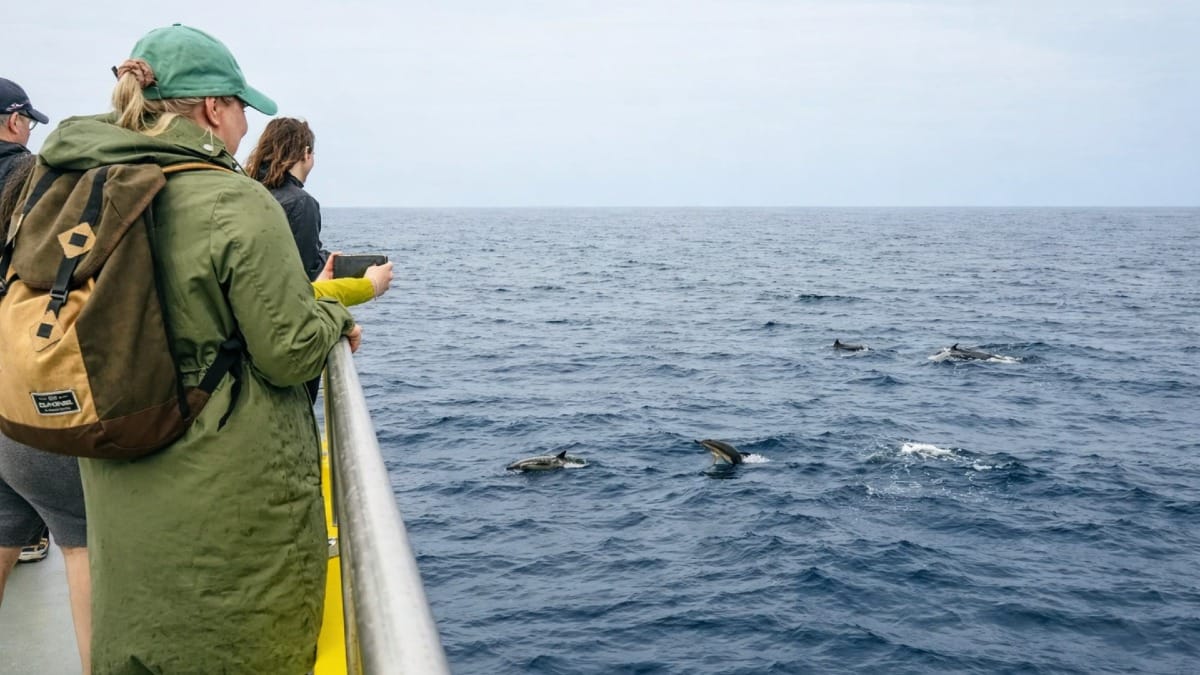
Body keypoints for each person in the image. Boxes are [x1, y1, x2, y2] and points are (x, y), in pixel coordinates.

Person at [35, 25, 360, 673]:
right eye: (241, 107)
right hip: (223, 492)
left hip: (117, 470)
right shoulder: (234, 200)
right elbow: (290, 352)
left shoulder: (77, 187)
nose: (245, 124)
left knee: (142, 635)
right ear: (214, 107)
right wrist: (333, 311)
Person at [0, 145, 92, 673]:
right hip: (36, 413)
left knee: (2, 531)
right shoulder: (62, 251)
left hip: (3, 404)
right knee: (81, 543)